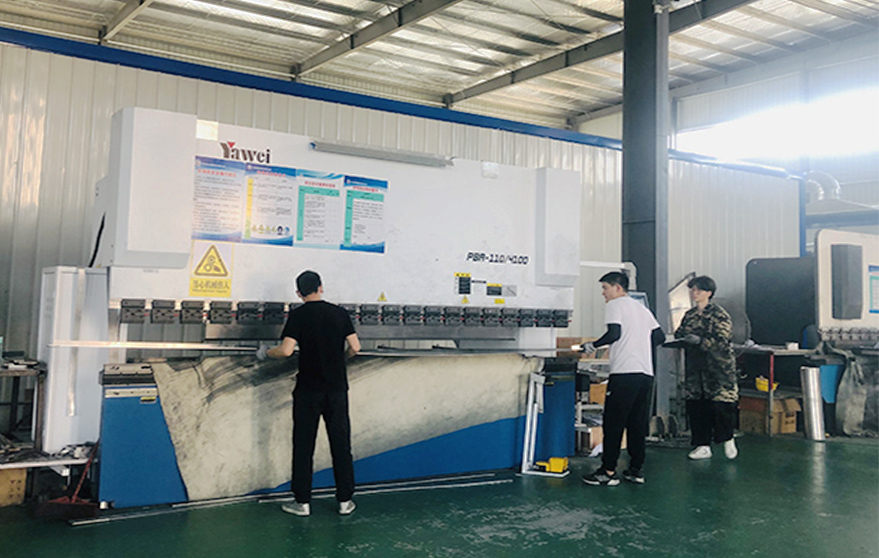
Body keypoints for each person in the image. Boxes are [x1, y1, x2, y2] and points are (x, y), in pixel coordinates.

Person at [257, 270, 361, 516]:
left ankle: (302, 502)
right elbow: (355, 347)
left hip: (308, 390)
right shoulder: (339, 313)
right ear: (321, 287)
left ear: (298, 293)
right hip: (336, 389)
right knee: (341, 443)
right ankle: (345, 500)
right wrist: (340, 360)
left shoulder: (298, 315)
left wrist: (265, 352)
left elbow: (285, 351)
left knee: (304, 445)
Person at [574, 271, 665, 486]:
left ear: (617, 288)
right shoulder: (641, 309)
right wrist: (637, 347)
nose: (603, 293)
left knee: (614, 422)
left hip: (624, 373)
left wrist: (592, 346)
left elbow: (614, 333)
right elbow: (659, 337)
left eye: (605, 288)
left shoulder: (615, 305)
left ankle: (608, 471)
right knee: (637, 423)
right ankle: (635, 470)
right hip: (645, 374)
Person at [673, 275, 739, 460]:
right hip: (695, 369)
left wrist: (701, 341)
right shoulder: (690, 315)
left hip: (718, 369)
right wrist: (680, 340)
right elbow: (680, 333)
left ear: (709, 293)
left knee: (721, 405)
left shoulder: (719, 314)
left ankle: (727, 438)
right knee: (697, 406)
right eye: (693, 290)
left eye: (699, 290)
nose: (694, 293)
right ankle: (702, 445)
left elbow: (723, 341)